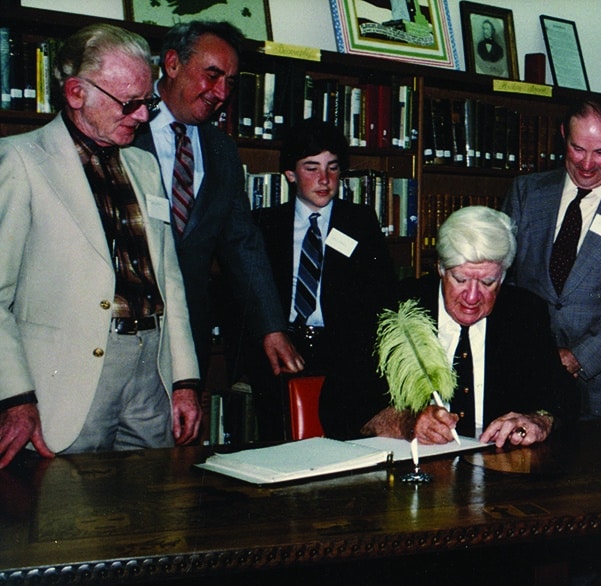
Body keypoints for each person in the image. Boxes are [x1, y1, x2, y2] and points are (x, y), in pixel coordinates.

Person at [0, 24, 201, 468]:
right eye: (129, 104)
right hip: (68, 381)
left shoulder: (144, 165)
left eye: (147, 102)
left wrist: (185, 380)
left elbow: (169, 280)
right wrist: (15, 397)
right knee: (66, 502)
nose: (143, 116)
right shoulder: (20, 161)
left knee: (151, 499)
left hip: (151, 371)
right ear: (76, 93)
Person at [132, 20, 302, 384]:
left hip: (188, 339)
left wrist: (271, 327)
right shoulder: (126, 129)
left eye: (230, 82)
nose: (221, 92)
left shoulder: (221, 150)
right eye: (212, 76)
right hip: (121, 333)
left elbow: (242, 244)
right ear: (172, 64)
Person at [360, 206, 574, 447]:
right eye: (460, 279)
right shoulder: (395, 308)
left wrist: (540, 420)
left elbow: (562, 394)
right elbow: (346, 402)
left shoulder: (524, 312)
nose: (472, 297)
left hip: (496, 464)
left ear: (503, 276)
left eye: (487, 282)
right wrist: (406, 423)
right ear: (441, 268)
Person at [246, 119, 398, 440]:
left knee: (338, 437)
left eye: (333, 168)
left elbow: (382, 294)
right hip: (283, 345)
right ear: (290, 174)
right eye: (311, 168)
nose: (324, 180)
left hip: (342, 353)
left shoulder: (359, 221)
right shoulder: (265, 223)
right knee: (280, 439)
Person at [503, 96, 601, 419]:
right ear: (563, 135)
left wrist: (579, 356)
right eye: (577, 149)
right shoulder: (527, 192)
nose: (587, 164)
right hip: (527, 377)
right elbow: (504, 281)